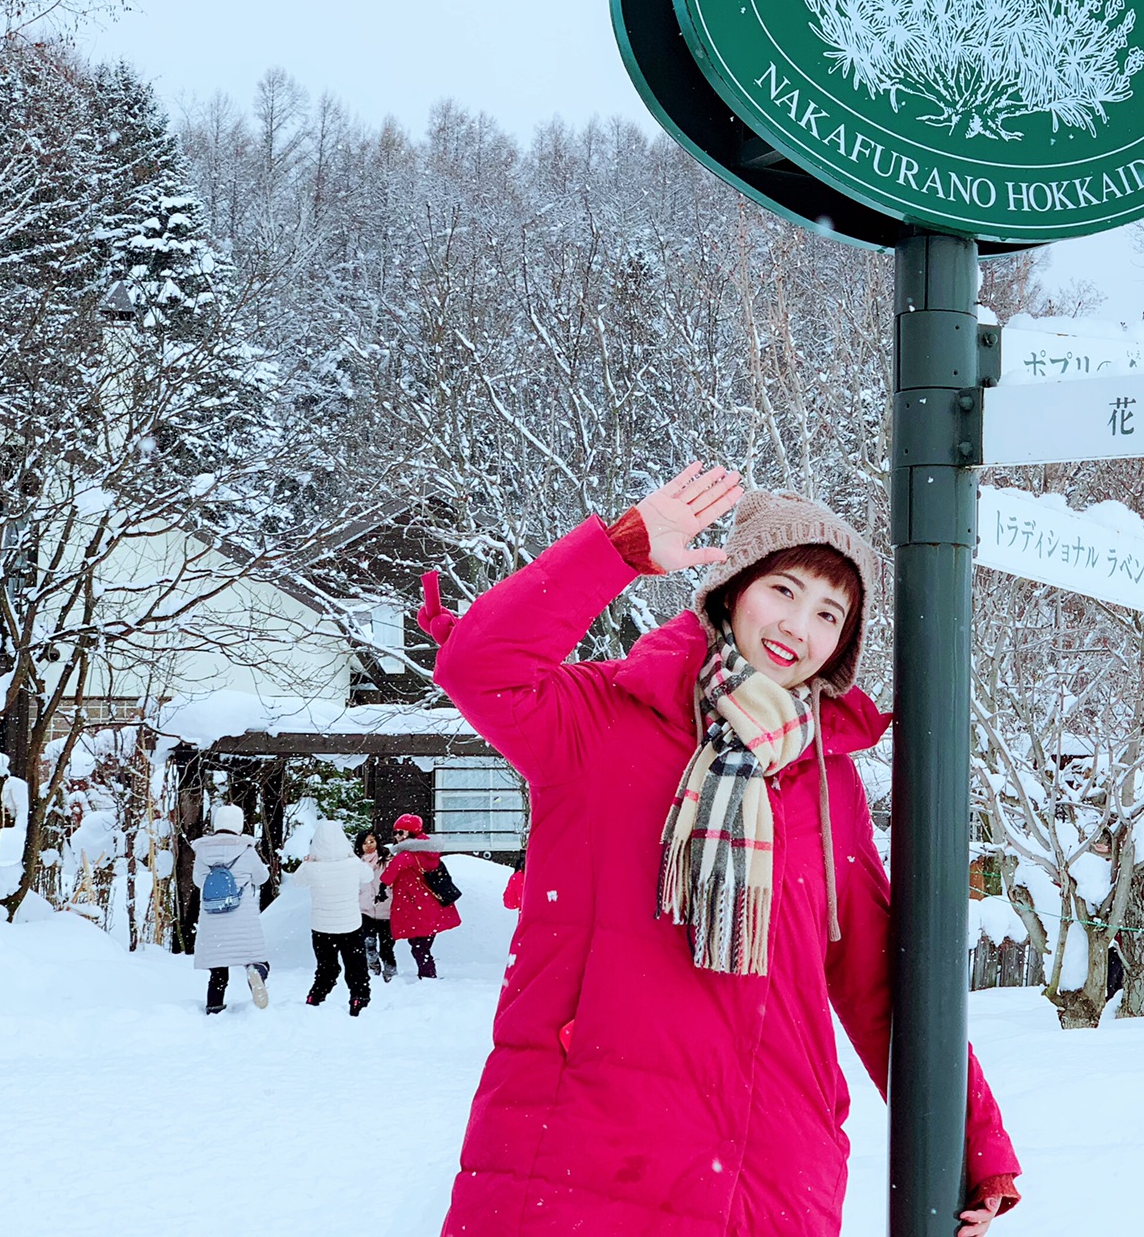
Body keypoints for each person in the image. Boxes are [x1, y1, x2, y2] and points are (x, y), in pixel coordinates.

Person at [420, 464, 1020, 1237]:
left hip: (766, 1169)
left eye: (830, 613)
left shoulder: (827, 785)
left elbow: (882, 981)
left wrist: (978, 1147)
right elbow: (481, 669)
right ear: (733, 588)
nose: (798, 627)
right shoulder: (603, 722)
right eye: (784, 590)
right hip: (581, 1153)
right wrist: (621, 550)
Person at [189, 804, 271, 1014]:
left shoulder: (202, 850)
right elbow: (261, 878)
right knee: (254, 957)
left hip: (212, 914)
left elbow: (198, 881)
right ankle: (255, 972)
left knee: (218, 970)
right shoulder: (246, 849)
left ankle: (214, 1007)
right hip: (241, 914)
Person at [295, 819, 377, 1014]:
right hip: (350, 925)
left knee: (326, 968)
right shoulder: (352, 864)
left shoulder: (312, 867)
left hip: (322, 928)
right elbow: (368, 877)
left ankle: (315, 998)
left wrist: (307, 862)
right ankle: (359, 998)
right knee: (356, 966)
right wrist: (353, 858)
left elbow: (297, 882)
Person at [381, 812, 459, 978]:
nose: (397, 837)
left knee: (418, 945)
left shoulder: (406, 856)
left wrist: (382, 886)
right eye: (395, 832)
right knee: (423, 943)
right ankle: (428, 972)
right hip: (432, 904)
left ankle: (428, 974)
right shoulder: (429, 852)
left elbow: (388, 874)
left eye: (401, 832)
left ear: (412, 833)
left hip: (416, 906)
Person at [355, 827, 397, 981]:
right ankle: (373, 968)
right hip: (365, 910)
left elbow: (394, 882)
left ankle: (390, 972)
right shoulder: (355, 863)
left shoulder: (387, 860)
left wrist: (386, 892)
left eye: (372, 841)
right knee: (368, 943)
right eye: (364, 843)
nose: (369, 845)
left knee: (387, 947)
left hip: (386, 910)